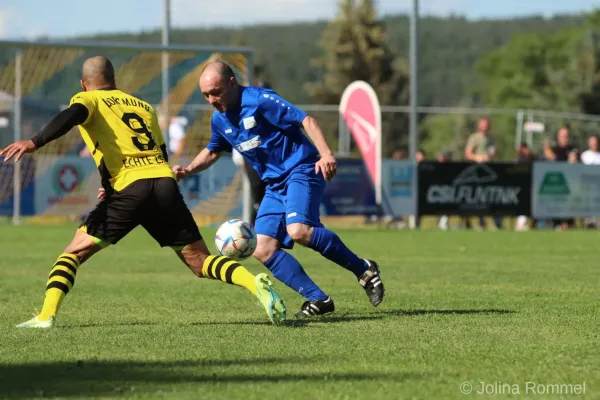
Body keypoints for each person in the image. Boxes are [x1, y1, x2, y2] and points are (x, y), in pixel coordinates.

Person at [0, 56, 286, 328]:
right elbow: (159, 154)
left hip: (130, 187)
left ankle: (46, 316)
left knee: (72, 254)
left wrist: (35, 141)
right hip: (163, 183)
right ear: (113, 79)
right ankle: (254, 283)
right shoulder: (143, 106)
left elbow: (72, 115)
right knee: (199, 261)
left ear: (84, 84)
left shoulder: (86, 99)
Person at [174, 61, 384, 318]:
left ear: (232, 83)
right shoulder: (219, 119)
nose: (211, 99)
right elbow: (214, 149)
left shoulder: (261, 100)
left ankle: (364, 269)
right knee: (261, 247)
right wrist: (189, 169)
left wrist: (326, 153)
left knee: (299, 231)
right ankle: (318, 299)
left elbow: (305, 119)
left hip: (301, 170)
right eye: (205, 94)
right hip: (274, 185)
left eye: (215, 92)